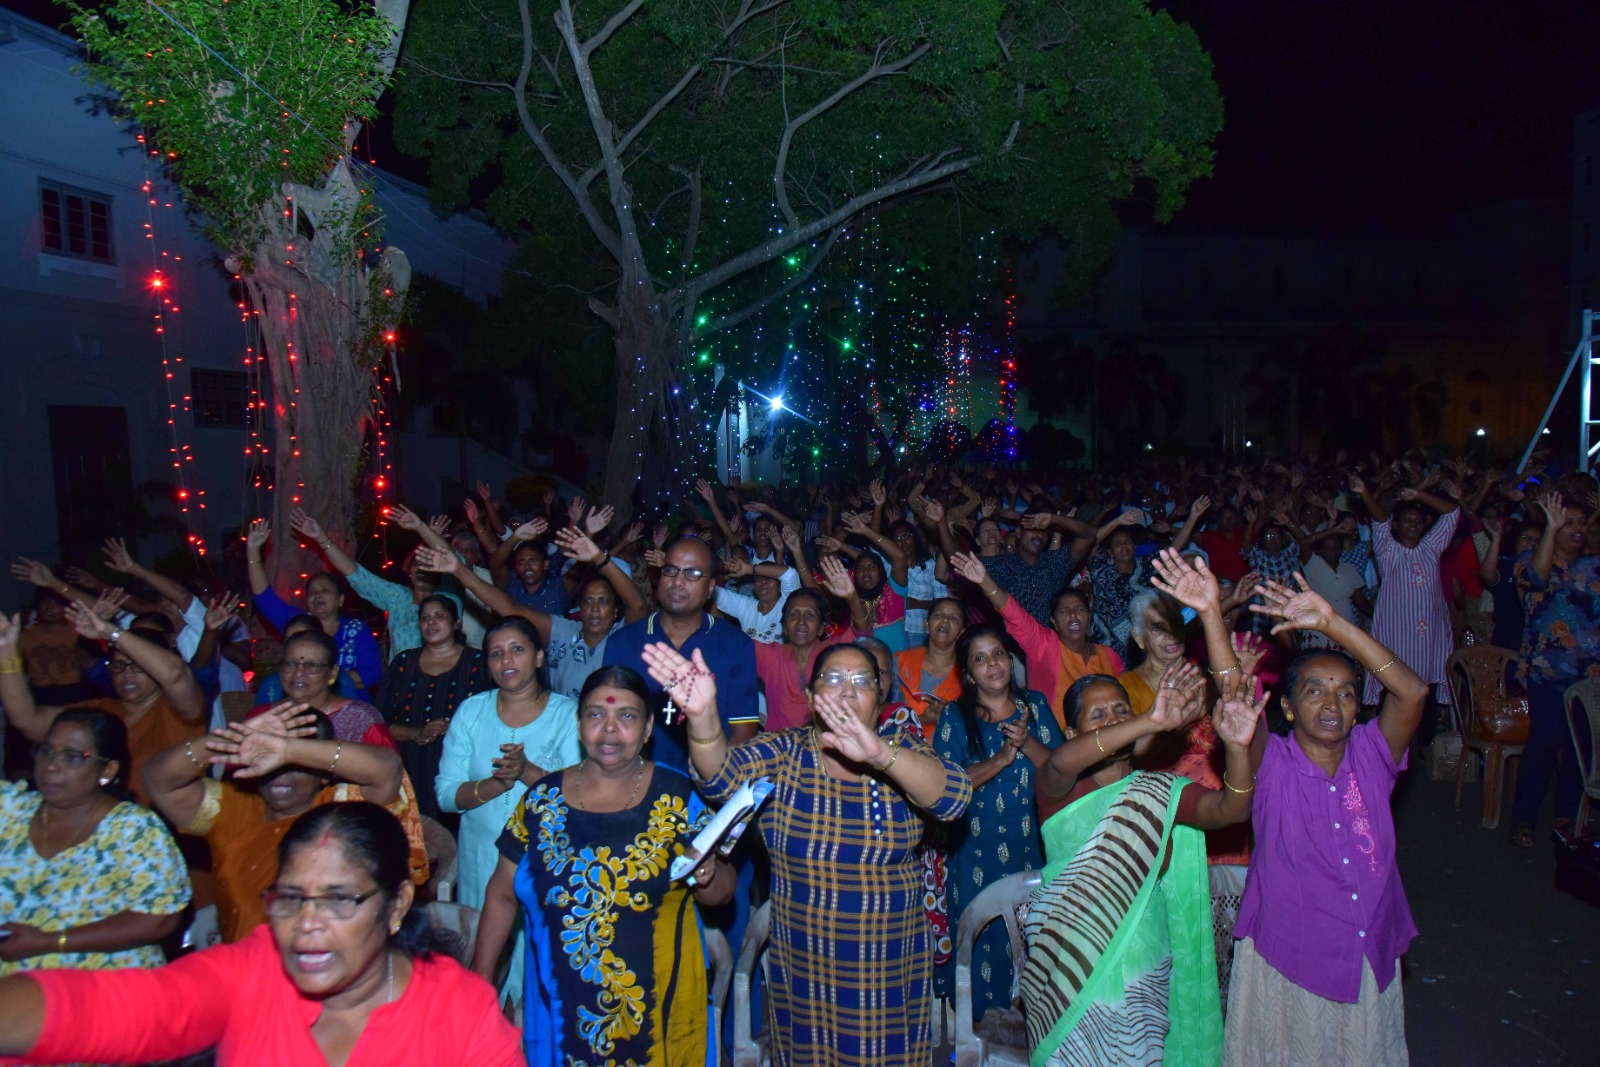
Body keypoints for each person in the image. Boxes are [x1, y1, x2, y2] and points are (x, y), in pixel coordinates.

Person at [646, 639, 972, 1066]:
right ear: (813, 696)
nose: (848, 690)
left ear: (880, 697)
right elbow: (721, 779)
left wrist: (877, 754)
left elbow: (953, 798)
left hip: (889, 963)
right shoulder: (785, 752)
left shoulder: (900, 746)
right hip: (804, 964)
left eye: (862, 681)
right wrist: (704, 718)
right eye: (833, 678)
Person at [0, 802, 522, 1066]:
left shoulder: (461, 1013)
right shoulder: (252, 971)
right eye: (291, 898)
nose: (306, 924)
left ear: (396, 906)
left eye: (339, 899)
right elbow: (122, 1008)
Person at [473, 666, 735, 1065]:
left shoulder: (679, 796)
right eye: (596, 715)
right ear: (579, 726)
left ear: (648, 729)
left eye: (626, 716)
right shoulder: (543, 801)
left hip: (658, 1010)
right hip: (560, 1003)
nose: (609, 729)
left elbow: (722, 893)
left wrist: (708, 874)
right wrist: (480, 983)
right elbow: (501, 893)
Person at [1221, 576, 1431, 1067]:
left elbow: (1414, 692)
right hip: (1292, 951)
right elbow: (1234, 705)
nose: (1331, 705)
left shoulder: (1373, 754)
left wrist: (1334, 624)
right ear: (1288, 708)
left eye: (1346, 694)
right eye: (1315, 691)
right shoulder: (1271, 762)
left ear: (1358, 710)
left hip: (1366, 942)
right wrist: (1214, 616)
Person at [1020, 662, 1263, 1066]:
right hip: (1065, 966)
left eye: (1120, 711)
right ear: (1073, 733)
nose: (1114, 720)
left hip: (1142, 970)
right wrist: (1149, 721)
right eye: (1098, 716)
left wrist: (1236, 749)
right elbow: (1060, 762)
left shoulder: (1160, 791)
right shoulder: (1061, 789)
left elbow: (1231, 810)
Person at [142, 702, 413, 942]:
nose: (279, 774)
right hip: (247, 985)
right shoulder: (231, 809)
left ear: (323, 775)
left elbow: (387, 769)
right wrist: (232, 739)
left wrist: (290, 750)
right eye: (267, 759)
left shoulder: (342, 808)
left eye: (293, 765)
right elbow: (159, 779)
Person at [436, 616, 579, 999]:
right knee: (484, 977)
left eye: (517, 649)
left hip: (544, 862)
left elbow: (577, 799)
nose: (506, 660)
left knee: (538, 981)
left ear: (538, 657)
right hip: (481, 863)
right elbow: (446, 796)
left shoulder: (568, 715)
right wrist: (497, 783)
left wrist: (527, 772)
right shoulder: (471, 712)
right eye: (496, 653)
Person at [933, 623, 1065, 1021]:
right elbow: (942, 786)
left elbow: (1062, 775)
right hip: (975, 856)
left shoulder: (1037, 707)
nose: (993, 664)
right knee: (982, 943)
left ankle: (1035, 1038)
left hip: (1033, 850)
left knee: (1034, 945)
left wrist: (1026, 743)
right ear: (969, 674)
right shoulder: (955, 718)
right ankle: (976, 1042)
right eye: (980, 658)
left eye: (999, 654)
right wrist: (1001, 760)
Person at [0, 708, 189, 976]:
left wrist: (49, 942)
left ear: (107, 770)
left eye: (72, 757)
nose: (52, 765)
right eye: (46, 751)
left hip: (106, 994)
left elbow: (160, 918)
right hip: (18, 999)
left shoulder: (132, 829)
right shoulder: (10, 811)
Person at [0, 603, 207, 806]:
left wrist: (110, 632)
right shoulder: (101, 712)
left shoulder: (179, 711)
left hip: (164, 829)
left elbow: (176, 674)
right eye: (119, 666)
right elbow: (27, 719)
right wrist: (5, 653)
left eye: (138, 667)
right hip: (103, 829)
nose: (127, 674)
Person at [416, 527, 643, 700]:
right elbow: (511, 608)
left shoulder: (621, 635)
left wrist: (599, 558)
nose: (594, 608)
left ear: (615, 611)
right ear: (579, 609)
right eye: (588, 601)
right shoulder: (564, 631)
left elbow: (638, 605)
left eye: (603, 602)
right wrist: (459, 570)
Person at [602, 537, 760, 773]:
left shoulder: (736, 645)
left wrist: (710, 779)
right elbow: (608, 723)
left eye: (692, 573)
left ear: (710, 588)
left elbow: (743, 734)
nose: (677, 581)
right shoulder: (623, 642)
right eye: (670, 570)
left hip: (706, 787)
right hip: (634, 781)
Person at [1509, 490, 1600, 847]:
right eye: (1568, 522)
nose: (1577, 529)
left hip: (1590, 676)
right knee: (1545, 744)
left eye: (1581, 523)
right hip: (1547, 673)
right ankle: (1524, 819)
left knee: (1585, 749)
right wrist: (1551, 528)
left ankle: (1566, 819)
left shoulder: (1594, 566)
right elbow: (1536, 579)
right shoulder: (1530, 559)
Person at [953, 552, 1124, 731]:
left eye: (1079, 609)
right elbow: (1014, 613)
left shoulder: (1109, 655)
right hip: (1054, 747)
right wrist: (985, 581)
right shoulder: (1044, 644)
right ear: (1053, 621)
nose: (1073, 614)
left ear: (1089, 617)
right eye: (1065, 611)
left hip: (1107, 743)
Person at [1349, 476, 1460, 723]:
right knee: (1395, 695)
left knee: (1425, 693)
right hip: (1396, 635)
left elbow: (1452, 512)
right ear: (1396, 525)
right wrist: (1365, 492)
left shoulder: (1432, 547)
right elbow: (1379, 520)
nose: (1413, 524)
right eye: (1407, 520)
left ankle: (1423, 750)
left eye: (1418, 521)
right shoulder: (1388, 550)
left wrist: (1419, 495)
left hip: (1428, 638)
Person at [373, 594, 487, 821]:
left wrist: (454, 727)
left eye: (439, 616)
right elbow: (379, 722)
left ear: (456, 623)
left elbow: (494, 717)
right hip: (410, 768)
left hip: (463, 770)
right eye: (425, 618)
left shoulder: (478, 662)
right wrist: (416, 732)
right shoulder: (404, 662)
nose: (431, 622)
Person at [247, 519, 383, 695]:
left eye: (325, 590)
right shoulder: (297, 624)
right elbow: (264, 598)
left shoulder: (355, 630)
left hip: (348, 710)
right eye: (312, 592)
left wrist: (321, 677)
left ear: (341, 599)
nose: (317, 595)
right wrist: (252, 553)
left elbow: (372, 675)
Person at [753, 559, 871, 732]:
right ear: (784, 626)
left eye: (810, 616)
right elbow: (734, 643)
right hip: (779, 752)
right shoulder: (771, 657)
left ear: (822, 627)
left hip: (823, 749)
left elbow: (862, 632)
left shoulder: (832, 654)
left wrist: (852, 597)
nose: (801, 622)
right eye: (794, 615)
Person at [260, 629, 395, 749]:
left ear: (333, 674)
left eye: (312, 665)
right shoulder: (263, 717)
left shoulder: (362, 719)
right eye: (290, 663)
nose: (298, 673)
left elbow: (391, 772)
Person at [253, 613, 364, 704]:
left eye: (302, 637)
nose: (299, 673)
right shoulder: (270, 684)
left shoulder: (342, 682)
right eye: (289, 640)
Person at [894, 597, 965, 731]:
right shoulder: (901, 661)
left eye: (954, 618)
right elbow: (886, 716)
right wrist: (923, 720)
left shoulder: (967, 673)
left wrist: (950, 715)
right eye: (938, 614)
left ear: (961, 633)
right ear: (927, 626)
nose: (945, 620)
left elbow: (975, 725)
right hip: (901, 745)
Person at [1119, 588, 1193, 714]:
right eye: (1157, 628)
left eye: (1174, 623)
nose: (1170, 634)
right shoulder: (1127, 687)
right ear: (1139, 637)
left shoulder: (1198, 672)